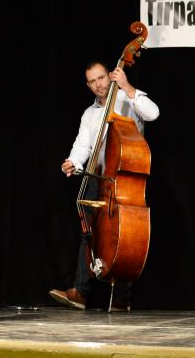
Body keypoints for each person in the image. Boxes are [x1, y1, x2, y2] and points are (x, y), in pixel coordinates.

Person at [50, 61, 160, 310]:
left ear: (110, 76)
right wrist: (73, 162)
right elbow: (83, 145)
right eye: (93, 81)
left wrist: (127, 87)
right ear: (88, 85)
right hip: (97, 176)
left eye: (101, 78)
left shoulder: (127, 99)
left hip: (124, 177)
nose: (98, 84)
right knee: (89, 232)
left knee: (124, 235)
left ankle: (120, 296)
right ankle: (80, 292)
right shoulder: (89, 114)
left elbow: (153, 113)